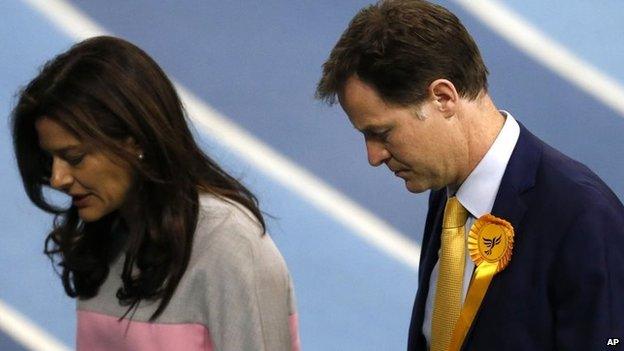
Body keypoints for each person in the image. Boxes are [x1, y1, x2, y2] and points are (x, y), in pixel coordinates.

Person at [315, 1, 624, 350]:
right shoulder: (448, 195)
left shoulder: (584, 218)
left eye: (382, 133)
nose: (374, 156)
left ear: (444, 98)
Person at [12, 36, 300, 351]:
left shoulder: (229, 246)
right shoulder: (104, 239)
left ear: (134, 140)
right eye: (50, 160)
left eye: (75, 157)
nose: (57, 178)